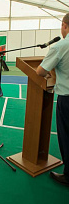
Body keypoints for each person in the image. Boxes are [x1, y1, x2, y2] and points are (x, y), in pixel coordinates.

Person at [36, 13, 69, 187]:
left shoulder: (61, 46)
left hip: (67, 99)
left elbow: (40, 72)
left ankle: (68, 176)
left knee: (67, 137)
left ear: (64, 25)